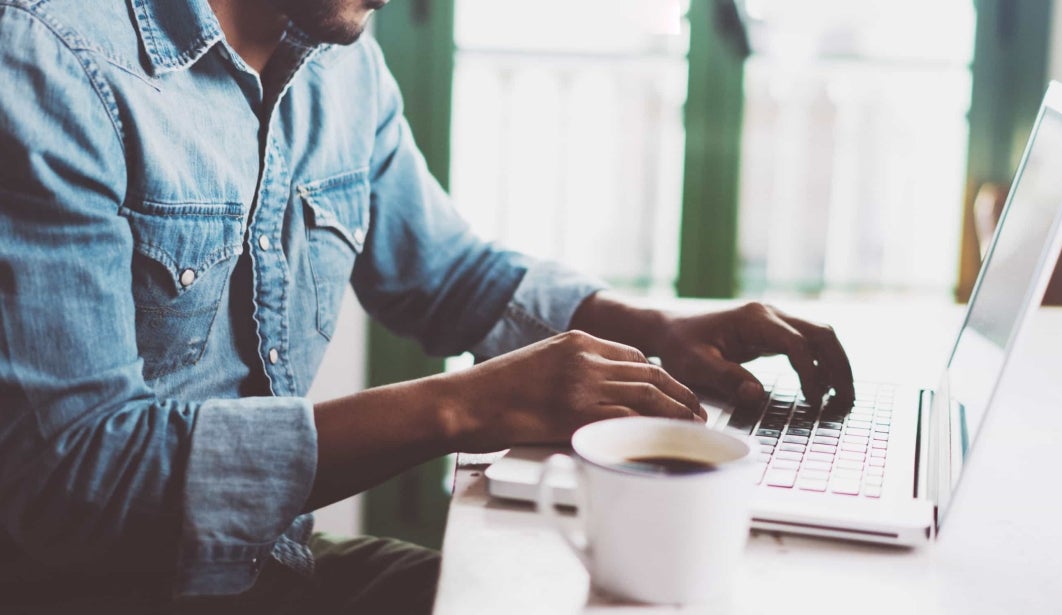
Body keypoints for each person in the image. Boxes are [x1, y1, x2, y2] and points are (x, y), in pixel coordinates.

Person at [0, 0, 854, 612]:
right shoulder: (47, 57)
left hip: (272, 567)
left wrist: (653, 328)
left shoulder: (343, 61)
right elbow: (76, 478)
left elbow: (445, 273)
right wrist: (462, 405)